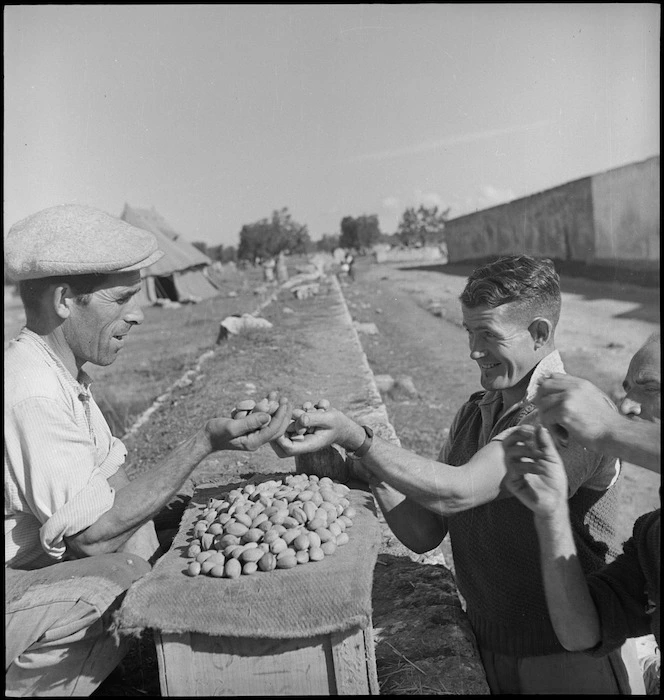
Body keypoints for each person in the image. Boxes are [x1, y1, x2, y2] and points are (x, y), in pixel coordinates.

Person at [272, 254, 645, 693]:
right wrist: (365, 470)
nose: (473, 351)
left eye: (488, 335)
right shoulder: (475, 412)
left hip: (570, 661)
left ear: (539, 333)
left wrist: (360, 438)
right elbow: (426, 531)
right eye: (470, 332)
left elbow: (459, 491)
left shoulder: (568, 418)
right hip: (488, 645)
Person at [4, 204, 291, 696]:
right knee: (122, 573)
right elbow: (93, 539)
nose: (136, 315)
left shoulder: (64, 374)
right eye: (121, 299)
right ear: (64, 300)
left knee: (164, 529)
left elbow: (117, 492)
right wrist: (203, 442)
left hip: (33, 576)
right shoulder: (32, 392)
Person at [503, 332, 660, 694]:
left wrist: (608, 429)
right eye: (625, 389)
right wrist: (550, 512)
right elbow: (581, 631)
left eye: (649, 387)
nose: (627, 406)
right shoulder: (654, 538)